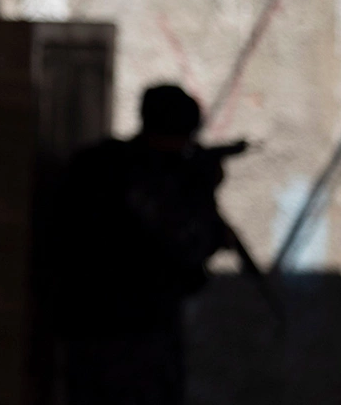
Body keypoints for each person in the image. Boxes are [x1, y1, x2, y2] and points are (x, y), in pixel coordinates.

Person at [48, 84, 236, 405]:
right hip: (135, 333)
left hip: (91, 329)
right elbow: (189, 244)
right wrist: (201, 191)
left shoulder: (97, 162)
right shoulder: (149, 178)